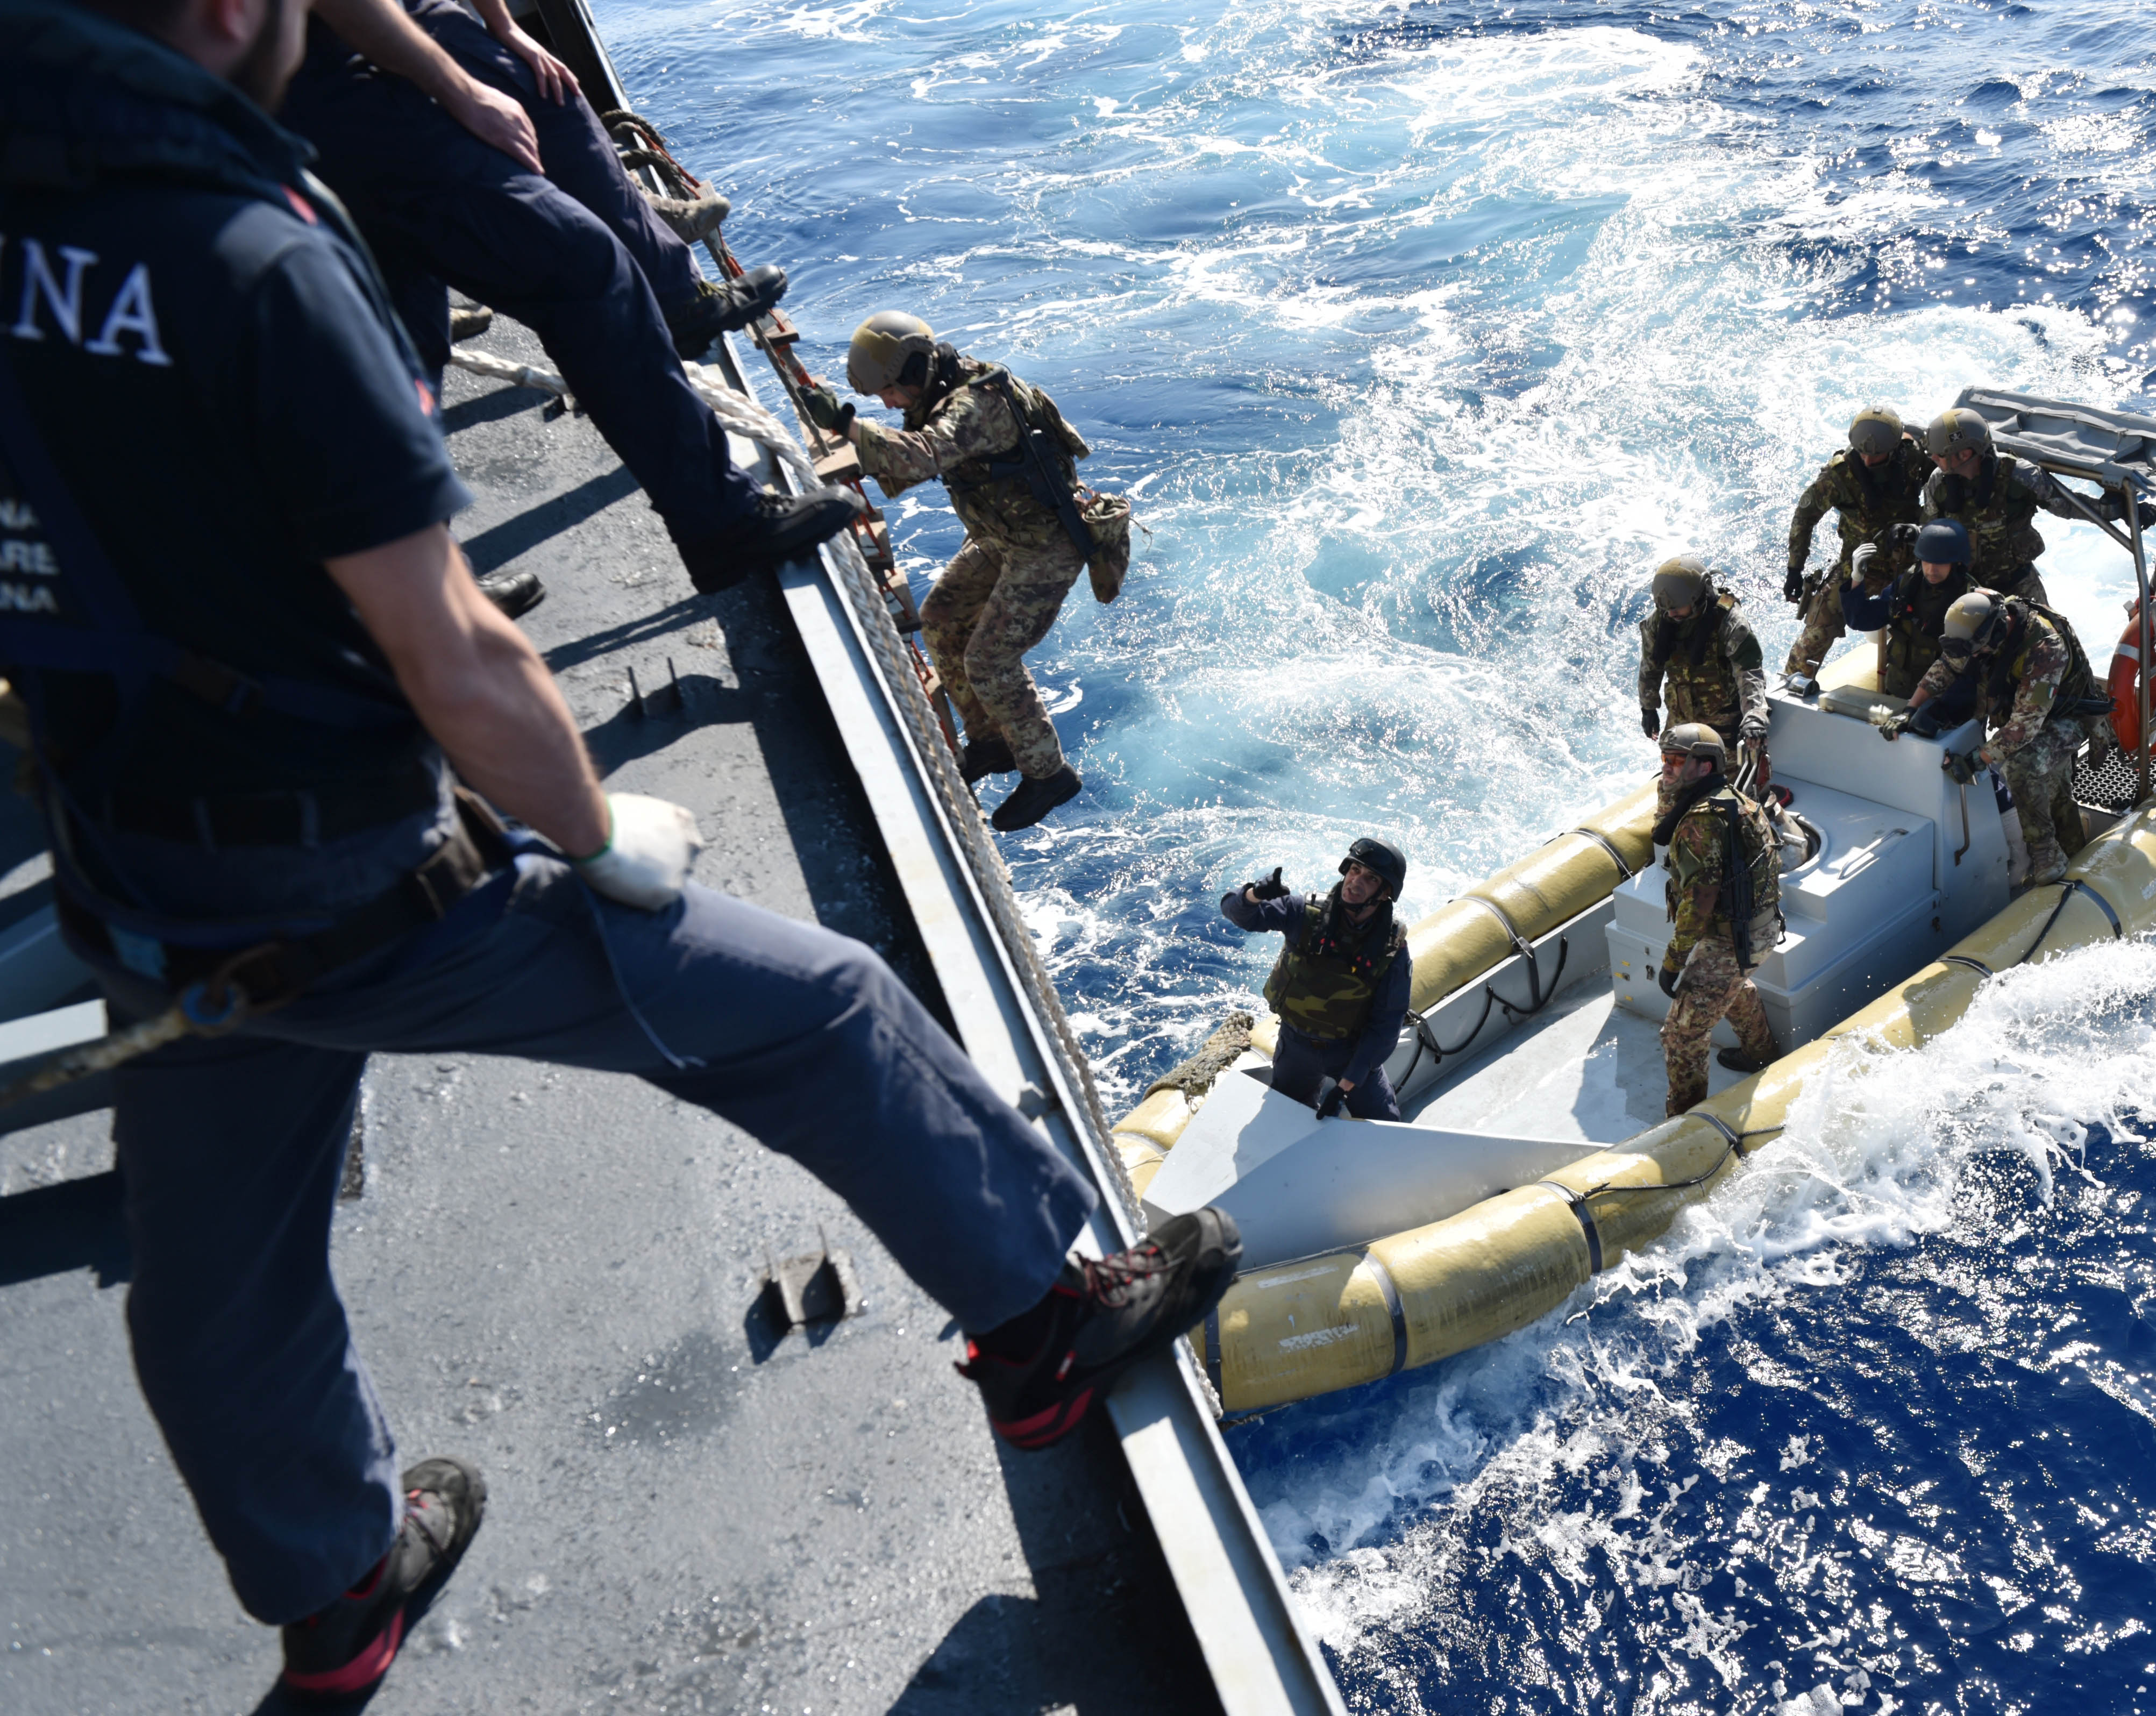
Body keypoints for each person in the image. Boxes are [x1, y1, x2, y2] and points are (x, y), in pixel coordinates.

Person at [0, 0, 1237, 1698]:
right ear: (226, 12)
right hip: (348, 875)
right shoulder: (254, 265)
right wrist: (593, 830)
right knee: (824, 1011)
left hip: (135, 882)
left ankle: (334, 1587)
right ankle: (1044, 1324)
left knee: (219, 1274)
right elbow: (455, 654)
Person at [276, 0, 862, 599]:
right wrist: (460, 89)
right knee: (586, 269)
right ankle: (722, 519)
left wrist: (502, 28)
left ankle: (421, 585)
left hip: (327, 54)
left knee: (405, 320)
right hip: (313, 75)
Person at [797, 313, 1099, 831]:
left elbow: (922, 456)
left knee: (990, 660)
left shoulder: (976, 404)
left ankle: (1049, 775)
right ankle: (991, 741)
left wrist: (846, 425)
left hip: (1045, 546)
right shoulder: (944, 389)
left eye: (889, 392)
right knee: (941, 618)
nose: (888, 404)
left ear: (914, 370)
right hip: (1004, 535)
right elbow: (920, 454)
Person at [1906, 591, 2109, 887]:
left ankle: (2047, 852)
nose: (1974, 657)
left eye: (1978, 651)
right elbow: (1948, 666)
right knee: (2051, 789)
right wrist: (1910, 709)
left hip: (2067, 717)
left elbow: (2024, 727)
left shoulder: (2044, 648)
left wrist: (1976, 761)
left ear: (1999, 632)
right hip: (2027, 710)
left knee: (2023, 768)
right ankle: (2069, 849)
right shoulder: (1981, 629)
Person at [1221, 837, 1412, 1122]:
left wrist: (1346, 1085)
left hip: (1351, 1049)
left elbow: (1387, 1023)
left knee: (1383, 1122)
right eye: (1355, 871)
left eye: (1371, 879)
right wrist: (1254, 895)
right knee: (1286, 1121)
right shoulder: (1303, 913)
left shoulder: (1392, 948)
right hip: (1296, 1044)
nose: (1356, 882)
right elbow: (1237, 914)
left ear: (1385, 893)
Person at [1653, 724, 1782, 1112]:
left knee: (1681, 1034)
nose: (1667, 767)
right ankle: (1761, 1054)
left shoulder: (1702, 822)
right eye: (1665, 759)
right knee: (1731, 986)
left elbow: (1700, 903)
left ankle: (1686, 1121)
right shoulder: (1730, 800)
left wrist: (1672, 963)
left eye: (1678, 761)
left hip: (1733, 936)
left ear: (1705, 766)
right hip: (1758, 928)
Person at [1919, 405, 2156, 609]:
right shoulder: (1939, 484)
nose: (1933, 459)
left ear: (1965, 454)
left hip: (2019, 586)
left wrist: (2124, 511)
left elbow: (2067, 506)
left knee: (2046, 641)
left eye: (1939, 455)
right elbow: (1929, 531)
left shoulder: (2020, 476)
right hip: (1966, 588)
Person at [1780, 407, 1932, 690]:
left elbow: (1942, 491)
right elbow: (1805, 517)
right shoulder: (1839, 475)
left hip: (1911, 565)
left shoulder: (1913, 458)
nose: (1868, 460)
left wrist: (1922, 530)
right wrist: (1794, 569)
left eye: (1877, 455)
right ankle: (1790, 687)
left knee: (1930, 627)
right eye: (1862, 453)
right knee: (1818, 626)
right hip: (1861, 565)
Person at [1636, 556, 1767, 774]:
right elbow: (1650, 666)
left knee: (1729, 778)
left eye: (1677, 608)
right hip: (1680, 716)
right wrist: (1648, 708)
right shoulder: (1660, 621)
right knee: (1677, 774)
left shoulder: (1730, 623)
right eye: (1666, 609)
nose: (1671, 614)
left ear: (1698, 597)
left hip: (1724, 720)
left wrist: (1754, 717)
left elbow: (1750, 675)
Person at [1840, 517, 1983, 716]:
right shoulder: (1908, 583)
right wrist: (1857, 578)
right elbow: (1861, 619)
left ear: (1957, 563)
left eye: (1940, 564)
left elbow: (1973, 668)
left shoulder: (1972, 600)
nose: (1931, 570)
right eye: (1927, 561)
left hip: (1941, 706)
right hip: (1897, 694)